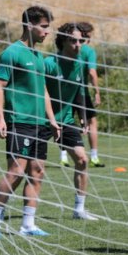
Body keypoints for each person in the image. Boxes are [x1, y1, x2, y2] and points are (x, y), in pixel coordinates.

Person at [0, 6, 60, 239]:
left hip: (39, 124)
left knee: (37, 171)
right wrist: (0, 118)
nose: (47, 32)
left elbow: (43, 91)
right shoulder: (11, 53)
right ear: (29, 25)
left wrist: (51, 120)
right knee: (16, 171)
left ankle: (28, 224)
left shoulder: (39, 56)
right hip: (19, 121)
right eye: (43, 27)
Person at [45, 23, 98, 221]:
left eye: (81, 41)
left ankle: (79, 210)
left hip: (66, 120)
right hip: (41, 119)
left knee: (82, 160)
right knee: (25, 168)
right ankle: (0, 211)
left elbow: (79, 92)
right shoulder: (49, 63)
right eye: (73, 41)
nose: (78, 45)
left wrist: (83, 117)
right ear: (63, 41)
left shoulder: (79, 64)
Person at [62, 22, 104, 168]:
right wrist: (97, 92)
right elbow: (92, 72)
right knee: (91, 122)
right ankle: (94, 157)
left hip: (65, 93)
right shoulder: (88, 51)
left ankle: (63, 157)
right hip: (81, 93)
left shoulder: (67, 48)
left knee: (64, 121)